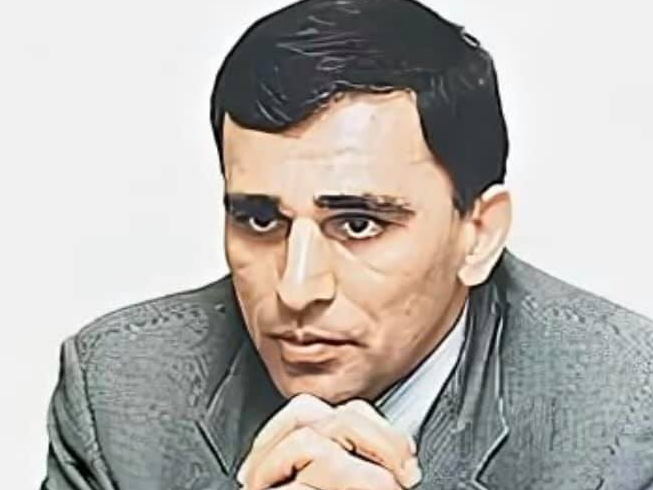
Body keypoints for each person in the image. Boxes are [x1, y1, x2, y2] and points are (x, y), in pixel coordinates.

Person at [41, 0, 653, 489]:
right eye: (259, 219)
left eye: (359, 223)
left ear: (479, 234)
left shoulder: (626, 413)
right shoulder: (119, 393)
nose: (297, 289)